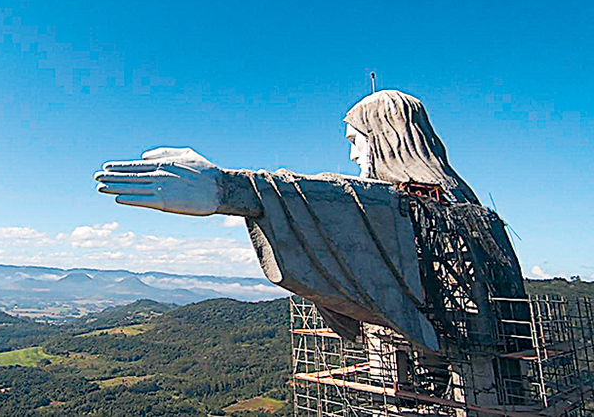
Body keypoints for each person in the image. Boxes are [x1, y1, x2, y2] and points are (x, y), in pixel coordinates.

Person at [95, 90, 525, 351]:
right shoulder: (478, 215)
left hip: (463, 380)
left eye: (358, 141)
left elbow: (327, 197)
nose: (353, 155)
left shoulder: (416, 206)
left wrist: (226, 189)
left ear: (389, 138)